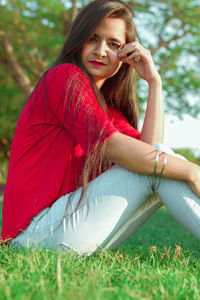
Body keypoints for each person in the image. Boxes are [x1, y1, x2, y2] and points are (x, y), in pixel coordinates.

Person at [1, 0, 200, 256]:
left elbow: (147, 152)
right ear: (79, 40)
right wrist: (193, 172)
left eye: (113, 44)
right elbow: (116, 147)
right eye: (93, 39)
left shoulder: (108, 111)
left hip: (66, 228)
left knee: (158, 160)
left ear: (125, 54)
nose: (101, 51)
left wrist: (154, 82)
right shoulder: (63, 78)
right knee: (163, 162)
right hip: (33, 236)